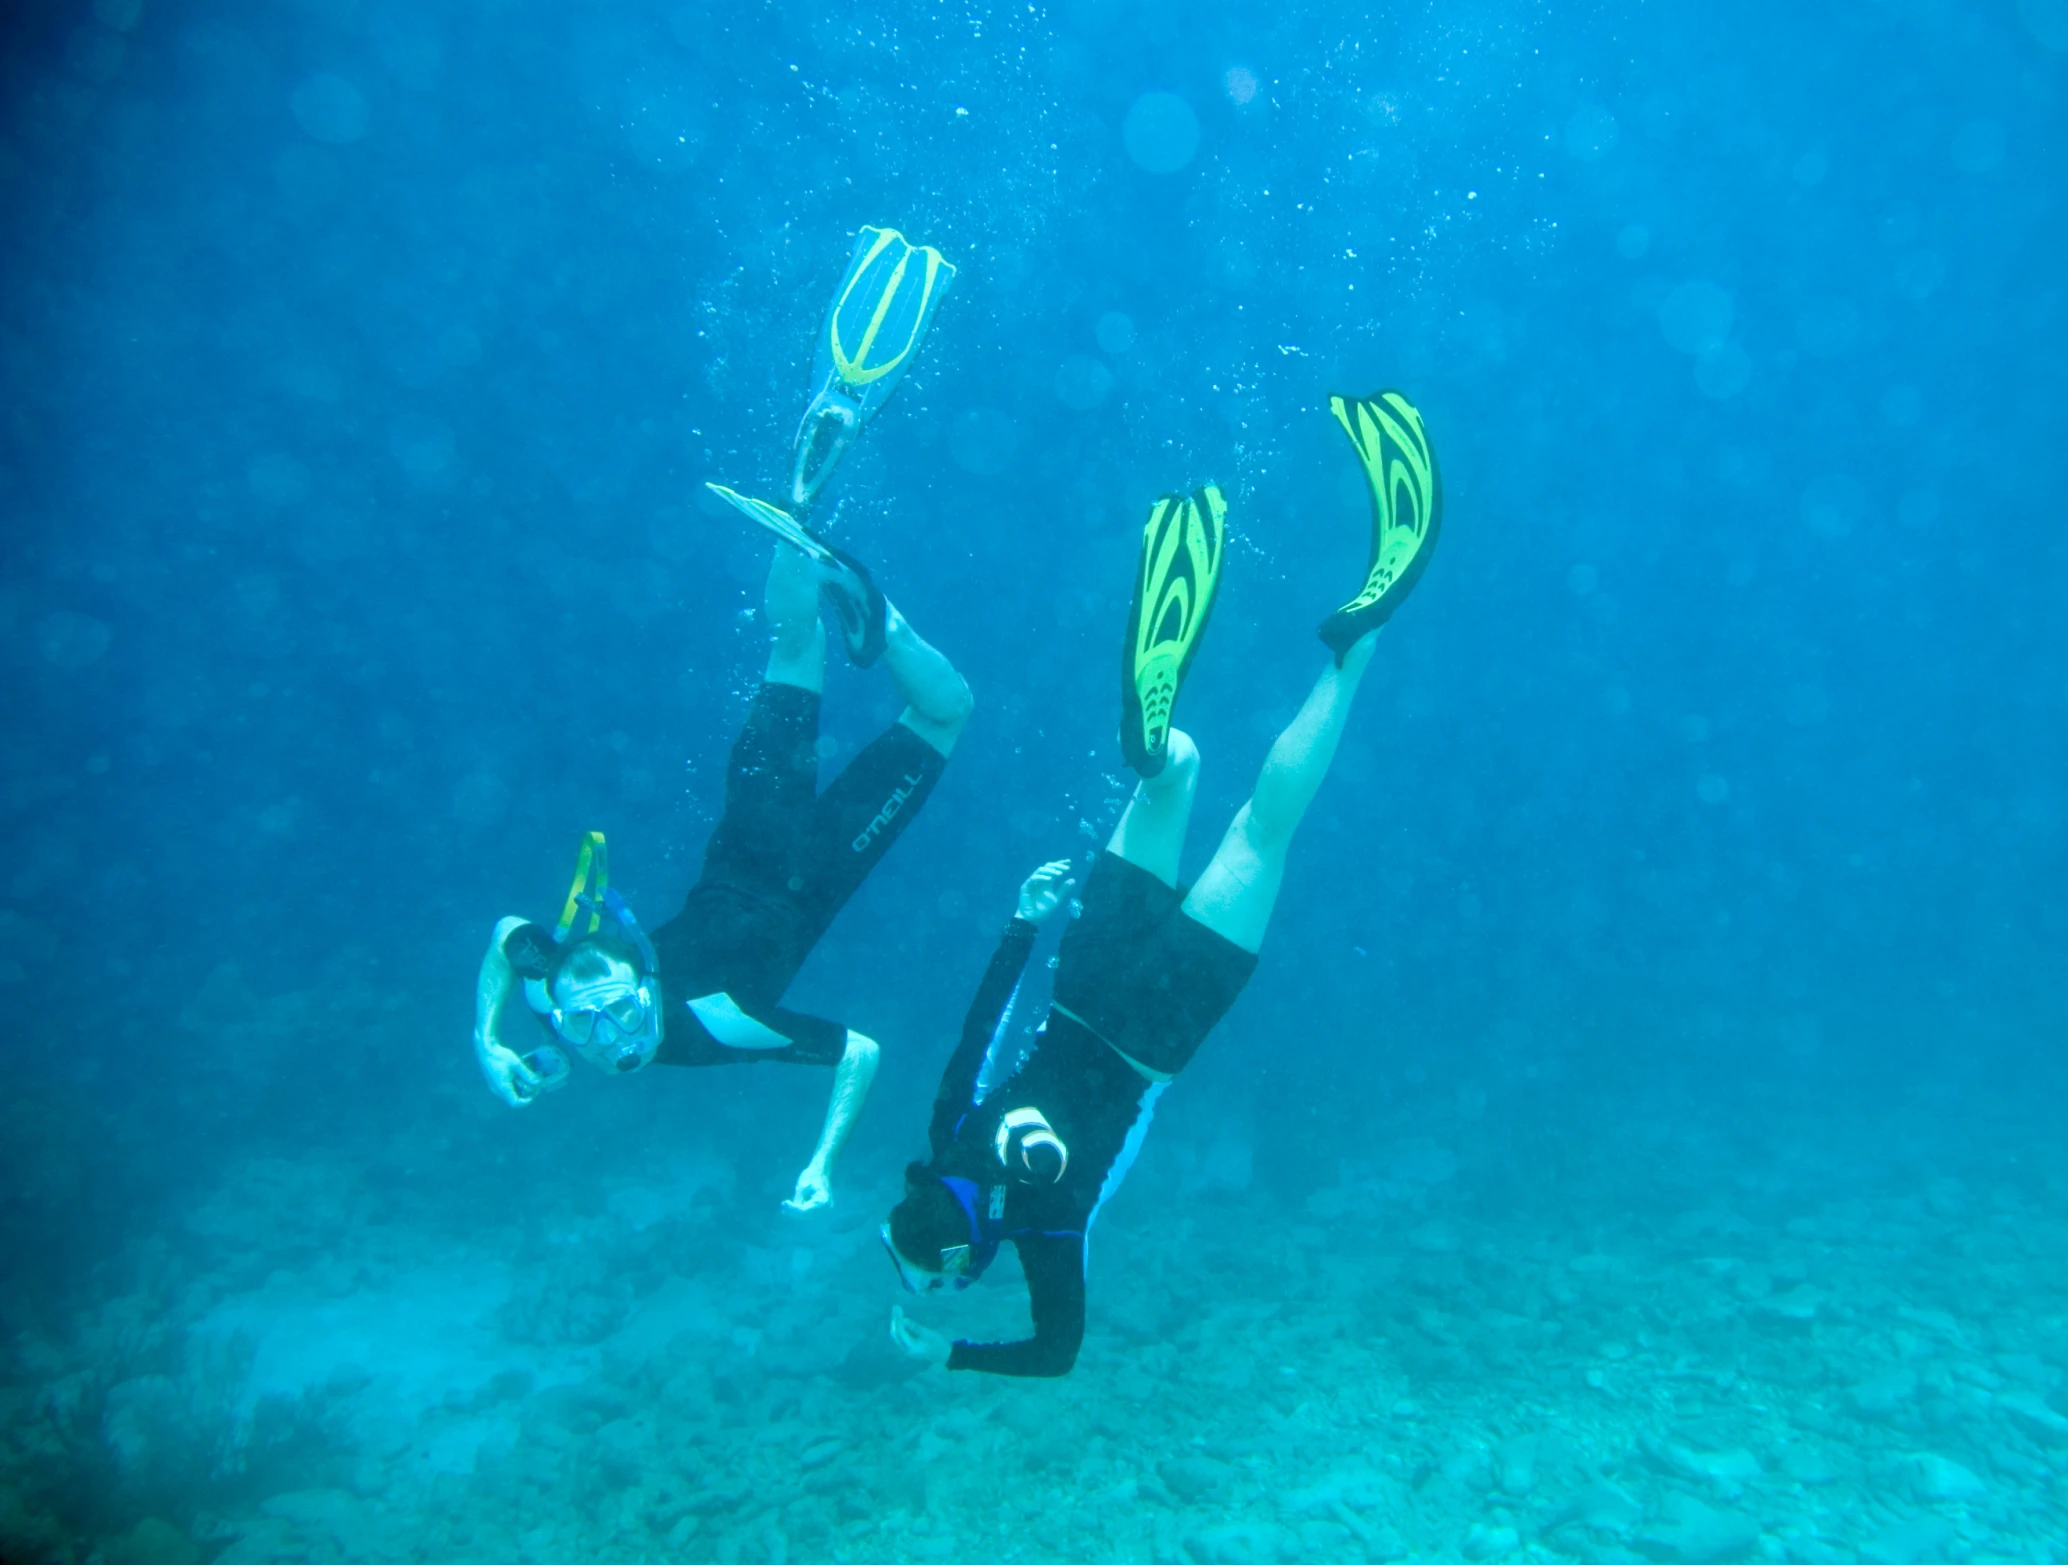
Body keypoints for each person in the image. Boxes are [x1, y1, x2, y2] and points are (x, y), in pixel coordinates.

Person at [880, 390, 1441, 1375]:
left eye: (934, 1276)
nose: (933, 1288)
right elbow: (976, 1033)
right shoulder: (946, 1137)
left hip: (1153, 1034)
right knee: (1170, 774)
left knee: (1262, 832)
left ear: (962, 1252)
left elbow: (1055, 1351)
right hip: (1083, 978)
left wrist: (949, 1354)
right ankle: (1159, 738)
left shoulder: (1047, 1232)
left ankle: (1355, 652)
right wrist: (1020, 922)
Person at [469, 227, 970, 1214]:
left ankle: (820, 533)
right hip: (759, 840)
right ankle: (847, 571)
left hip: (800, 859)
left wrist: (824, 1160)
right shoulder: (562, 990)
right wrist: (490, 1034)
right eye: (589, 1029)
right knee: (872, 679)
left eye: (607, 1017)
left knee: (928, 707)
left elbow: (855, 1050)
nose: (609, 1041)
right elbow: (509, 939)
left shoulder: (709, 1022)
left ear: (638, 986)